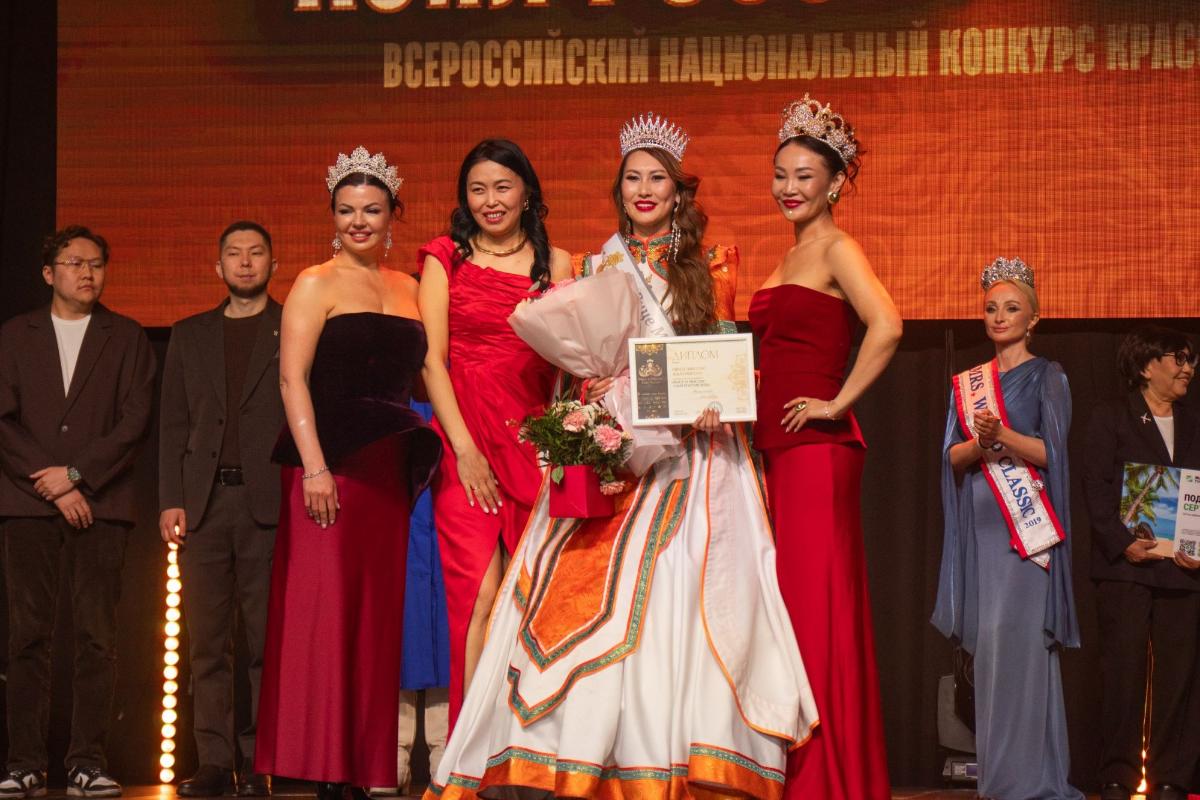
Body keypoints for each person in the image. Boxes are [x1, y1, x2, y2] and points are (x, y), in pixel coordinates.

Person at [424, 115, 817, 800]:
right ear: (619, 188)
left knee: (677, 594)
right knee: (572, 593)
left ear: (677, 191)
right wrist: (593, 392)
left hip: (690, 457)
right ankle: (582, 753)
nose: (644, 190)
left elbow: (722, 359)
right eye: (633, 178)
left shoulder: (713, 264)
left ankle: (668, 752)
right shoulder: (593, 266)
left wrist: (717, 400)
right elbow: (577, 366)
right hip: (618, 453)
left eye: (657, 178)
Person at [254, 147, 441, 799]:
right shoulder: (314, 283)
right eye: (346, 210)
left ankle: (363, 768)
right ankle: (324, 769)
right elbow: (291, 379)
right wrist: (314, 467)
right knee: (326, 616)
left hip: (387, 469)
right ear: (332, 217)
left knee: (374, 617)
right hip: (328, 464)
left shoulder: (409, 288)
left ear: (393, 216)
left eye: (372, 210)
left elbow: (429, 374)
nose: (358, 221)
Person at [750, 95, 902, 800]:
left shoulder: (839, 248)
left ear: (835, 182)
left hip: (816, 452)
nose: (789, 186)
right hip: (776, 450)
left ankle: (824, 780)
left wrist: (837, 403)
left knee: (813, 608)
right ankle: (800, 771)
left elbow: (888, 325)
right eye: (781, 173)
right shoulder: (791, 253)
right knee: (788, 608)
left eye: (804, 175)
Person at [417, 139, 571, 729]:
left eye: (503, 187)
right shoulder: (445, 258)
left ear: (526, 191)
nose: (491, 200)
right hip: (464, 442)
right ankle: (469, 745)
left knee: (532, 594)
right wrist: (464, 451)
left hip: (530, 443)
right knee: (477, 595)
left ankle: (526, 744)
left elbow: (568, 363)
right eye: (477, 189)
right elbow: (432, 362)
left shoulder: (556, 265)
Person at [0, 225, 155, 799]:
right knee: (27, 638)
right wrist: (55, 485)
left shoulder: (127, 336)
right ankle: (24, 762)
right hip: (28, 503)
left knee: (96, 637)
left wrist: (76, 476)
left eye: (96, 264)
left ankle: (87, 761)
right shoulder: (15, 335)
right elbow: (3, 421)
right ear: (49, 273)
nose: (86, 273)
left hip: (102, 502)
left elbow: (134, 420)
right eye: (74, 263)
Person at [932, 257, 1083, 800]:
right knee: (993, 653)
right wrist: (980, 442)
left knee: (1021, 648)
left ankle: (1032, 780)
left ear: (1033, 318)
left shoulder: (1048, 376)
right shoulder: (968, 385)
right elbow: (951, 458)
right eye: (991, 308)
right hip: (982, 528)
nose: (999, 317)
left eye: (1011, 308)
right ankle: (1000, 779)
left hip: (1027, 532)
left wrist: (1004, 437)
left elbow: (1054, 455)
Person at [158, 221, 284, 797]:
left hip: (269, 504)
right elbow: (173, 425)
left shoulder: (293, 325)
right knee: (207, 644)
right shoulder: (188, 334)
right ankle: (213, 761)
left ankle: (260, 763)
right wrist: (171, 498)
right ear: (218, 267)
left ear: (273, 265)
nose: (245, 262)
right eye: (234, 253)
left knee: (264, 643)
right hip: (204, 505)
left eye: (256, 253)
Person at [1081, 326, 1200, 800]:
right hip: (1125, 567)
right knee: (1123, 674)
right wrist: (1121, 542)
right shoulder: (1111, 416)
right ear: (1148, 366)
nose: (1188, 368)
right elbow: (1095, 486)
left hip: (1184, 571)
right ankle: (1118, 776)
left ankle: (1171, 779)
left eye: (1191, 360)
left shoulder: (1195, 421)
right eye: (1178, 358)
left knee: (1179, 678)